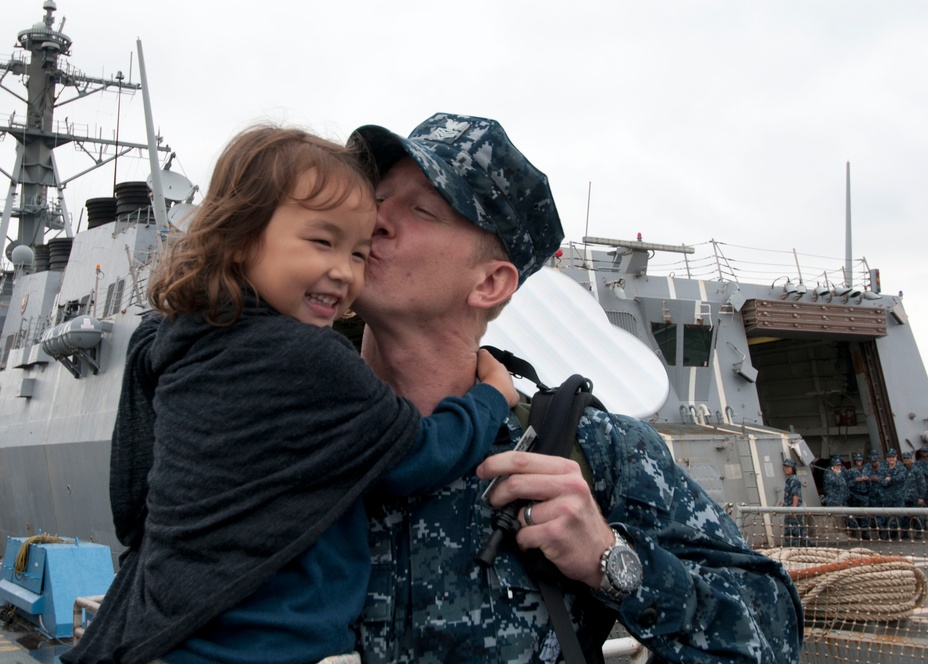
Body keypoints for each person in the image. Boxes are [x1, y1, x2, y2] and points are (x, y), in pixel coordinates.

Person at [347, 113, 803, 663]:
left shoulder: (593, 452)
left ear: (490, 282)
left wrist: (610, 561)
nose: (375, 219)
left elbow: (772, 637)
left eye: (420, 209)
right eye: (375, 196)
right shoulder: (282, 433)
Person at [62, 126, 520, 664]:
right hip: (256, 646)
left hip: (160, 628)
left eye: (357, 250)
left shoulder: (167, 338)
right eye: (323, 242)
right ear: (239, 238)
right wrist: (492, 396)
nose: (346, 269)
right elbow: (419, 455)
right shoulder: (309, 359)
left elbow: (133, 505)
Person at [782, 458, 814, 547]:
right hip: (790, 507)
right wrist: (784, 504)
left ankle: (793, 548)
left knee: (792, 530)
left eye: (788, 467)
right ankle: (809, 545)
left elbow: (795, 495)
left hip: (793, 509)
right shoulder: (789, 480)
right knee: (800, 530)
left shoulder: (794, 480)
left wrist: (794, 509)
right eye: (785, 467)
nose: (786, 469)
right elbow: (790, 495)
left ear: (793, 468)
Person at [844, 452, 872, 539]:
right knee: (853, 514)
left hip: (864, 495)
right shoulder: (851, 471)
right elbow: (848, 483)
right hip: (855, 495)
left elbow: (870, 484)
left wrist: (867, 480)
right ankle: (854, 531)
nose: (859, 462)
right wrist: (856, 480)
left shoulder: (866, 470)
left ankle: (865, 532)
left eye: (860, 460)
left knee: (864, 515)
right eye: (857, 460)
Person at [901, 451, 926, 539]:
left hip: (915, 497)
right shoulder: (901, 470)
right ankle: (905, 532)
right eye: (905, 458)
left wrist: (921, 497)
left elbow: (921, 484)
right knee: (905, 516)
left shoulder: (916, 470)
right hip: (904, 497)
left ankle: (919, 532)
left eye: (908, 458)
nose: (906, 460)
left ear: (911, 459)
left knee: (917, 515)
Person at [823, 456, 848, 538]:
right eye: (836, 465)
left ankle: (841, 533)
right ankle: (837, 536)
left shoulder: (839, 473)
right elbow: (839, 482)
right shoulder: (829, 473)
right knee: (836, 519)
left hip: (841, 500)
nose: (838, 467)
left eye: (839, 465)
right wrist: (837, 474)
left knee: (841, 519)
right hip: (833, 500)